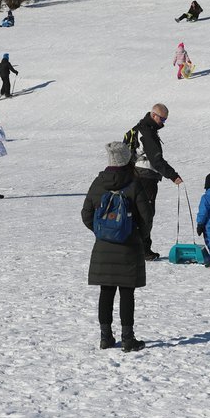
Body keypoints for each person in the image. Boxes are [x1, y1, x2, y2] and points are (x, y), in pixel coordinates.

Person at [81, 141, 153, 352]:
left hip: (103, 247)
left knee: (106, 291)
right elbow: (146, 217)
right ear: (126, 160)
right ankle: (128, 338)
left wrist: (102, 232)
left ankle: (105, 337)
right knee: (127, 293)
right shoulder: (134, 183)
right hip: (129, 246)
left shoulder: (98, 183)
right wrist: (138, 236)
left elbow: (86, 214)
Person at [123, 104, 183, 260]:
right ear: (154, 115)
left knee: (136, 213)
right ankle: (143, 250)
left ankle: (133, 248)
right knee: (146, 214)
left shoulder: (138, 128)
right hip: (145, 177)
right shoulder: (147, 132)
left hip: (134, 175)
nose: (163, 123)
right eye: (162, 119)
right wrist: (173, 176)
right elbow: (156, 160)